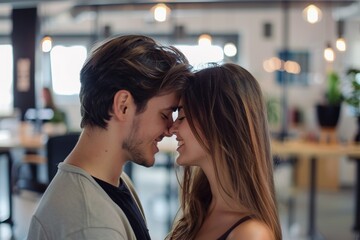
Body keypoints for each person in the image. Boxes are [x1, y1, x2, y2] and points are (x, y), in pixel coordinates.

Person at [27, 35, 191, 240]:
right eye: (165, 114)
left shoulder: (117, 181)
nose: (169, 129)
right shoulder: (91, 225)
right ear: (123, 106)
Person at [167, 63, 282, 240]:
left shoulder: (250, 234)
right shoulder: (201, 209)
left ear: (218, 123)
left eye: (181, 116)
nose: (172, 129)